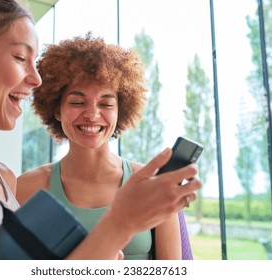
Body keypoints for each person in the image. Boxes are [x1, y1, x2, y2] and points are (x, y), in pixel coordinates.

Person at [0, 0, 201, 260]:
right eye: (19, 57)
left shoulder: (2, 176)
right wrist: (119, 225)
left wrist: (100, 251)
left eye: (105, 102)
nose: (36, 79)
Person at [17, 34, 201, 259]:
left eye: (106, 103)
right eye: (77, 102)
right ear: (57, 109)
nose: (92, 115)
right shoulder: (26, 189)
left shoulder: (151, 185)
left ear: (120, 111)